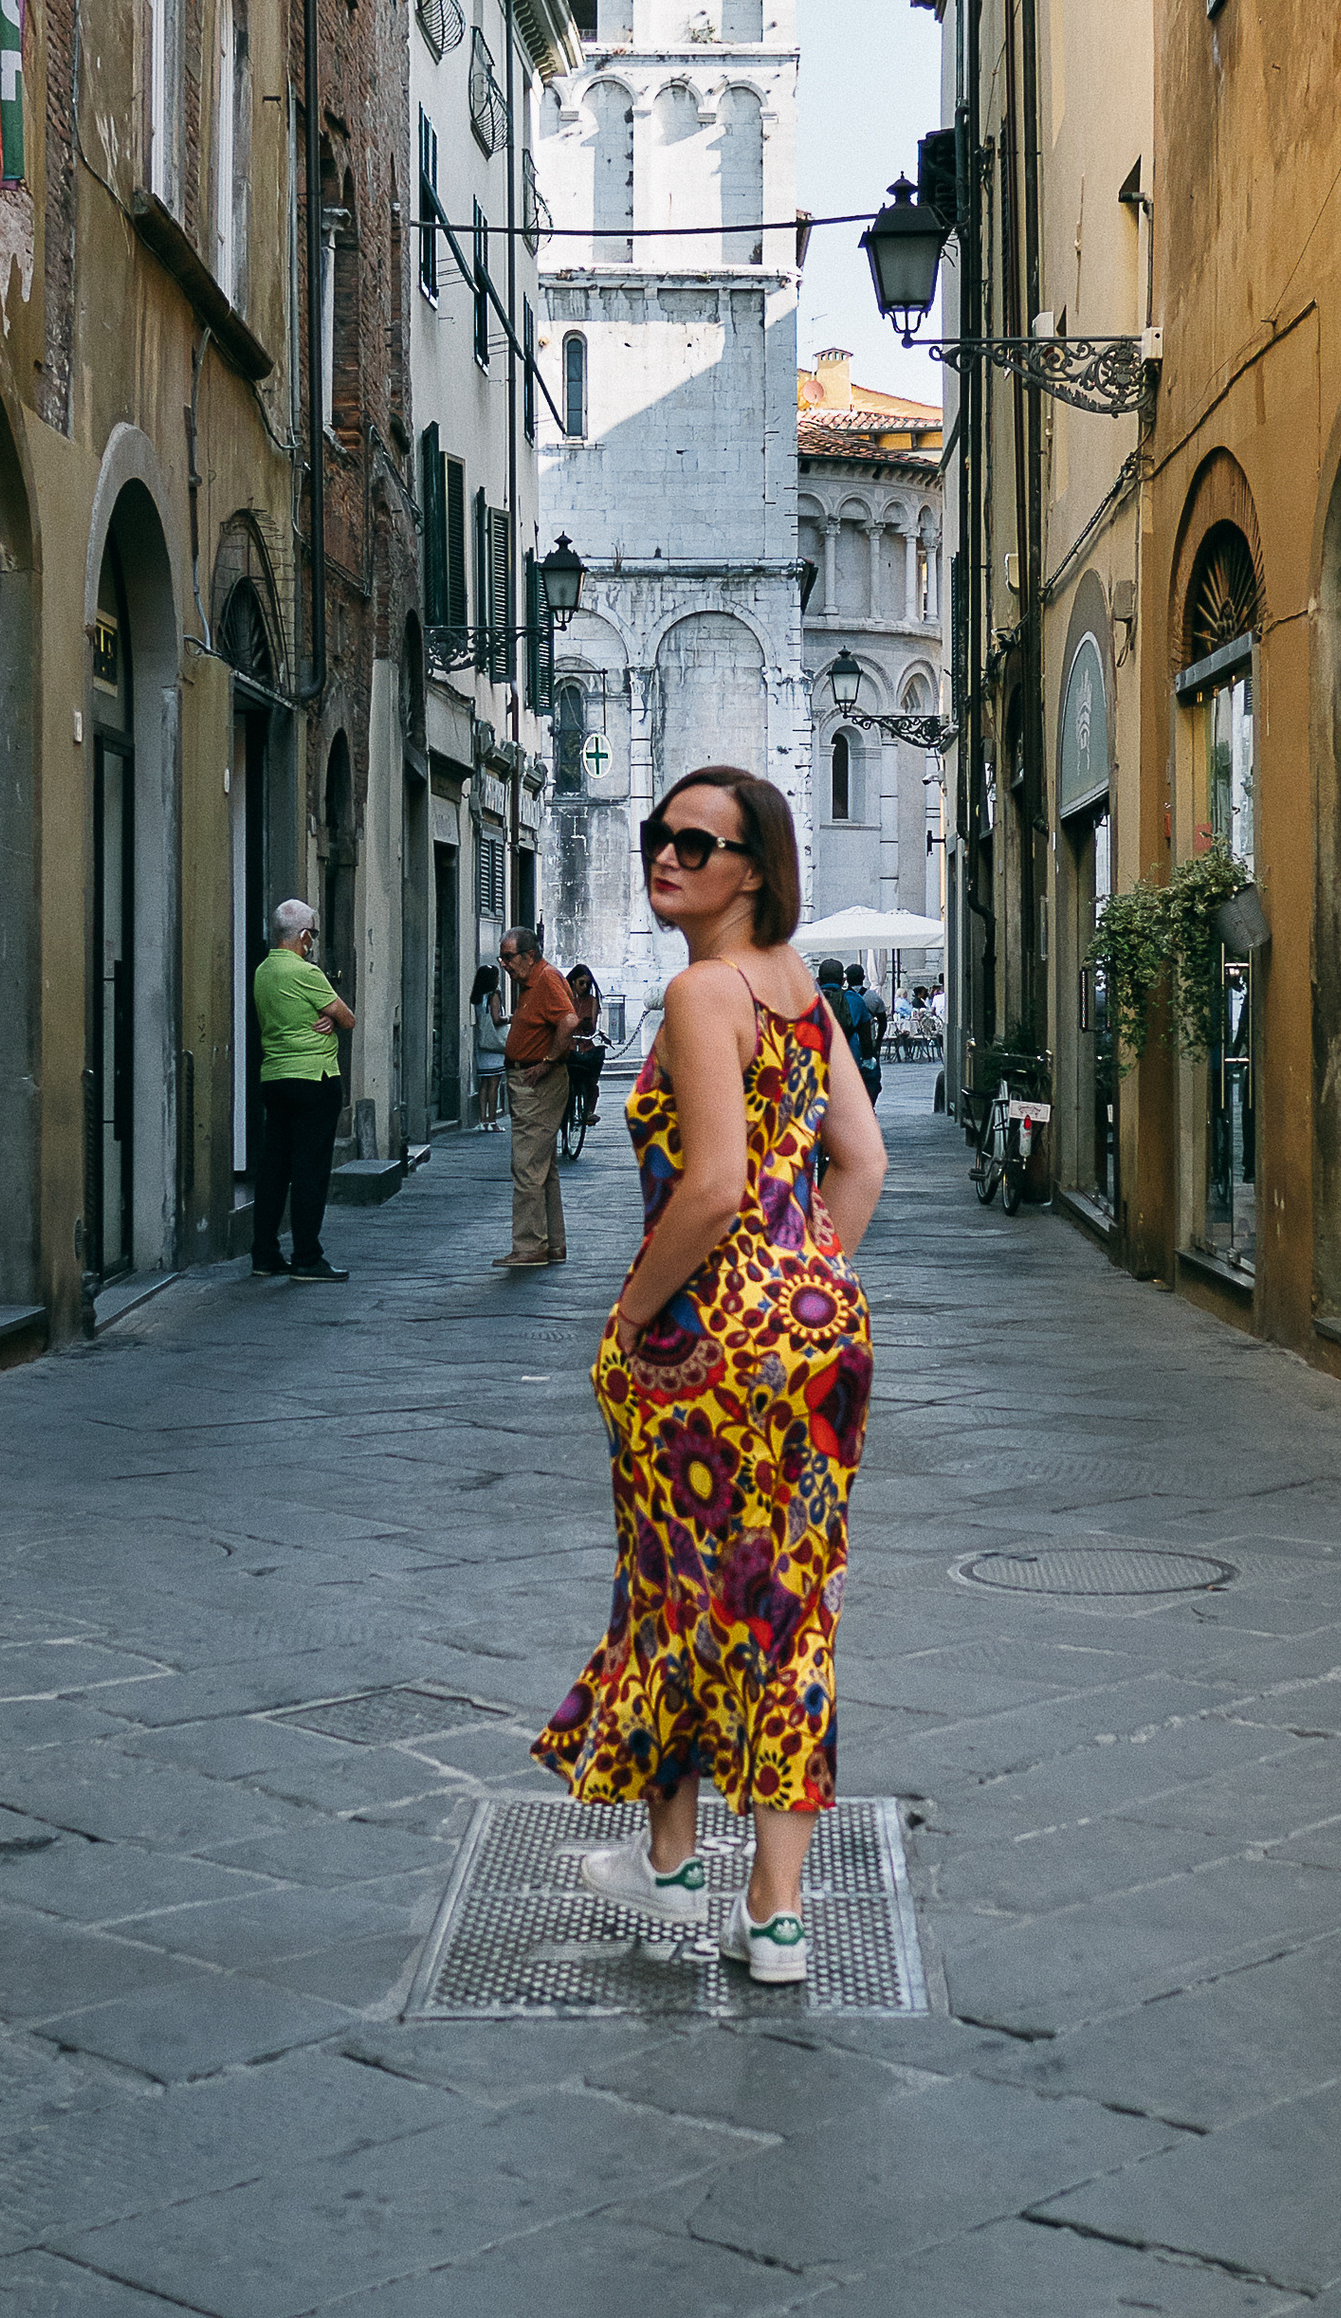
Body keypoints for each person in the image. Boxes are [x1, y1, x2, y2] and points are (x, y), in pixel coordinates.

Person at [535, 765, 885, 1986]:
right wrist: (798, 1286)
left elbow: (716, 1185)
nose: (667, 854)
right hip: (818, 1329)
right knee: (789, 1602)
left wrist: (633, 1317)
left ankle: (674, 1867)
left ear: (754, 869)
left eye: (699, 840)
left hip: (703, 1337)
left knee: (671, 1584)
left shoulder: (701, 990)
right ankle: (771, 1916)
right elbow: (862, 1163)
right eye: (658, 833)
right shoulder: (804, 997)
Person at [248, 898, 354, 1283]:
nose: (313, 942)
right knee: (310, 1171)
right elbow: (348, 1017)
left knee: (273, 1169)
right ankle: (307, 1256)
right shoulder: (306, 972)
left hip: (274, 1077)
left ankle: (264, 1254)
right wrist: (328, 1014)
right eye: (314, 935)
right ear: (304, 936)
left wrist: (322, 1013)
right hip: (314, 1078)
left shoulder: (262, 972)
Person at [492, 924, 578, 1268]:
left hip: (536, 1082)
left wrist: (548, 1060)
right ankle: (553, 1243)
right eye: (502, 957)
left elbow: (569, 1022)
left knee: (527, 1164)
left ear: (530, 954)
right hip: (532, 1079)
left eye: (509, 957)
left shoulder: (545, 979)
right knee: (544, 1165)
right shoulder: (532, 981)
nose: (504, 964)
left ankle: (529, 1245)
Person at [564, 963, 610, 1138]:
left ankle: (589, 1110)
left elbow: (591, 1027)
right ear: (573, 982)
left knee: (591, 1077)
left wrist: (583, 1025)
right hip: (568, 1044)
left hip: (585, 1043)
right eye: (581, 983)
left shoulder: (592, 1001)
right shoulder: (565, 999)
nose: (584, 987)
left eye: (587, 984)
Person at [469, 964, 508, 1130]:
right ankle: (493, 1120)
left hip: (482, 1042)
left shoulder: (478, 996)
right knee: (494, 1083)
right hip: (494, 1044)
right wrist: (510, 1018)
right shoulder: (494, 995)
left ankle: (482, 1120)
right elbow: (496, 1019)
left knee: (484, 1083)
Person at [843, 961, 885, 1101]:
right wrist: (878, 1040)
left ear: (847, 978)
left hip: (846, 1043)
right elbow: (883, 1021)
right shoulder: (873, 997)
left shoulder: (842, 997)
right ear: (863, 977)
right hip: (869, 1042)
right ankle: (869, 1104)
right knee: (872, 1077)